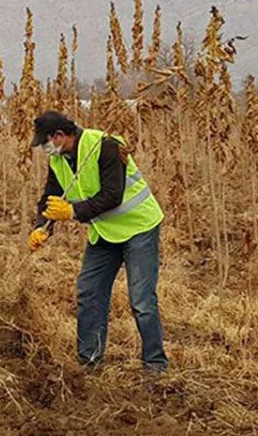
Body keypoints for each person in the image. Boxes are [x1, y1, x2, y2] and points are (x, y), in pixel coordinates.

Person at [28, 110, 168, 373]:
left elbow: (113, 195)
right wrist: (40, 227)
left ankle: (155, 365)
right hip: (105, 232)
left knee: (141, 300)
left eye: (45, 143)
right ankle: (89, 362)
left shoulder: (104, 146)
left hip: (139, 227)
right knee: (89, 291)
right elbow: (50, 196)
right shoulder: (59, 161)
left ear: (59, 136)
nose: (44, 149)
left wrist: (72, 212)